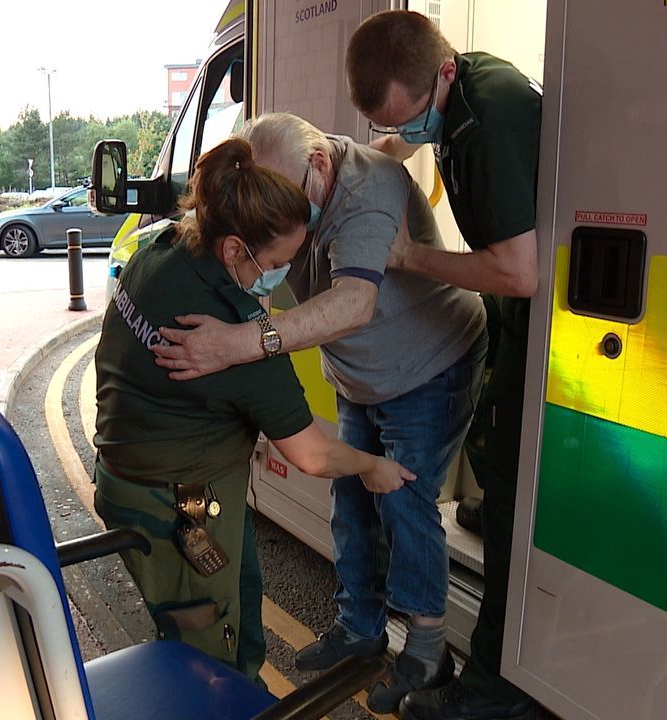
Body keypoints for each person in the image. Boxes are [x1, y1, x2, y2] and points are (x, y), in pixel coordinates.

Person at [152, 112, 487, 714]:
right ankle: (360, 627)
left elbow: (355, 303)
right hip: (363, 373)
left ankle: (428, 651)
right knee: (352, 500)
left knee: (405, 503)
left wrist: (239, 342)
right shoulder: (297, 176)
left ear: (321, 166)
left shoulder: (364, 192)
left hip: (428, 365)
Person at [92, 137, 414, 682]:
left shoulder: (166, 247)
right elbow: (312, 455)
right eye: (278, 263)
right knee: (204, 654)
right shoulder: (228, 339)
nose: (281, 279)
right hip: (177, 505)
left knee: (237, 605)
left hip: (128, 478)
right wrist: (372, 466)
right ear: (236, 250)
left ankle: (244, 684)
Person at [345, 10, 542, 720]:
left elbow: (520, 273)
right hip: (509, 326)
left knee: (516, 498)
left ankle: (495, 694)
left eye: (414, 117)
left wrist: (405, 257)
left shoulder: (488, 120)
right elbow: (403, 131)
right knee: (495, 478)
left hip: (536, 323)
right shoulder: (455, 90)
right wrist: (371, 156)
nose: (410, 132)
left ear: (445, 75)